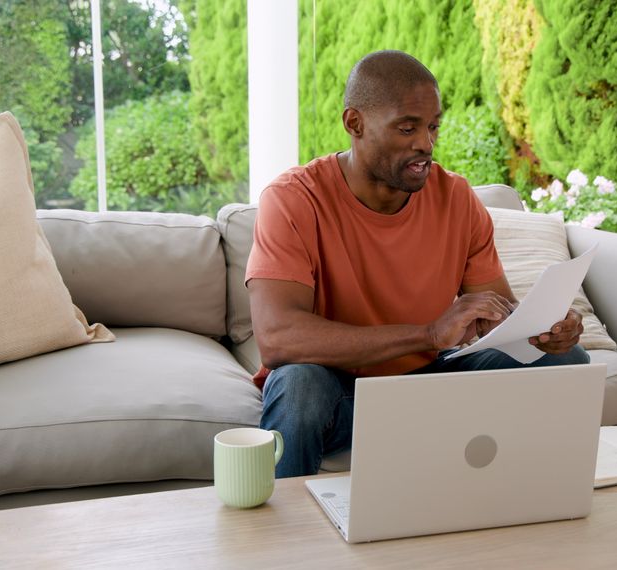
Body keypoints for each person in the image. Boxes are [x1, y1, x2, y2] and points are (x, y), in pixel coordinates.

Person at [245, 50, 589, 478]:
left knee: (566, 361)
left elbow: (497, 318)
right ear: (355, 124)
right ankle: (287, 539)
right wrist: (427, 334)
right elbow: (277, 339)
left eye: (432, 127)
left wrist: (543, 328)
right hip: (338, 393)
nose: (425, 144)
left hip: (431, 382)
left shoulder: (456, 198)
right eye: (407, 128)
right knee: (298, 386)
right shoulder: (294, 199)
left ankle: (523, 513)